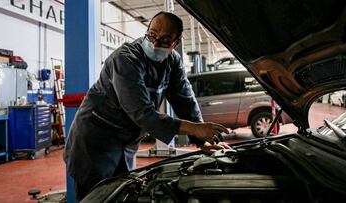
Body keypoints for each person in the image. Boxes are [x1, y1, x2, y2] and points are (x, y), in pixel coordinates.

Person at [64, 11, 230, 201]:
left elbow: (185, 101)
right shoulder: (125, 58)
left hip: (126, 142)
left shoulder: (173, 62)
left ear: (175, 43)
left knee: (123, 193)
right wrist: (195, 128)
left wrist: (203, 141)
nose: (155, 43)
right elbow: (141, 112)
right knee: (96, 196)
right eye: (152, 35)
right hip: (95, 142)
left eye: (165, 40)